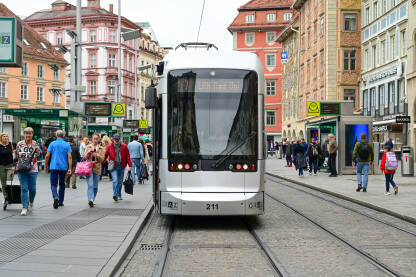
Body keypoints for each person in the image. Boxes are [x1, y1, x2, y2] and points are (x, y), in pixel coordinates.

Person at [16, 127, 41, 216]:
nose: (28, 135)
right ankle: (24, 207)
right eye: (26, 133)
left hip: (33, 169)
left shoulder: (35, 143)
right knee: (24, 188)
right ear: (24, 134)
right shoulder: (19, 144)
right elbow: (16, 156)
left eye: (30, 133)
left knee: (32, 189)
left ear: (32, 134)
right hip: (22, 168)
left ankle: (31, 202)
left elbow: (39, 154)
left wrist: (38, 150)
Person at [45, 130, 72, 209]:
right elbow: (69, 157)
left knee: (53, 184)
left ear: (56, 136)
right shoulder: (67, 144)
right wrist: (70, 168)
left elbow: (47, 156)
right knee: (62, 184)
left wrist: (46, 165)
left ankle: (55, 196)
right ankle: (60, 201)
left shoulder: (52, 144)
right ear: (64, 136)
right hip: (63, 167)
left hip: (53, 166)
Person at [105, 134, 132, 201]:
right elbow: (105, 155)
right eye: (115, 139)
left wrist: (130, 165)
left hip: (121, 165)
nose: (116, 140)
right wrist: (101, 163)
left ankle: (119, 194)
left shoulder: (124, 146)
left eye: (117, 139)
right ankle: (115, 194)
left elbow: (127, 156)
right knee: (115, 180)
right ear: (113, 139)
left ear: (119, 139)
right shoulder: (109, 146)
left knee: (120, 181)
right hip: (113, 166)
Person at [84, 134, 105, 207]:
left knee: (95, 186)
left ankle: (93, 198)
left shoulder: (101, 148)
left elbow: (102, 159)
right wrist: (88, 153)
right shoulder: (88, 146)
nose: (95, 140)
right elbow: (84, 157)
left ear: (99, 139)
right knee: (90, 185)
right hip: (89, 168)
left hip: (97, 168)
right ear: (92, 139)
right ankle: (90, 199)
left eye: (96, 139)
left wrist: (96, 155)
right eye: (94, 139)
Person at [0, 133, 14, 210]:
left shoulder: (10, 144)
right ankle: (6, 198)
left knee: (9, 181)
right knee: (3, 183)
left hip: (9, 166)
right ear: (1, 138)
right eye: (4, 136)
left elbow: (14, 153)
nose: (5, 138)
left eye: (6, 136)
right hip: (1, 166)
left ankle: (9, 197)